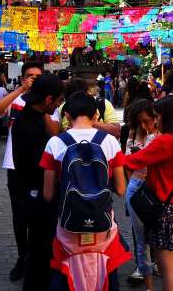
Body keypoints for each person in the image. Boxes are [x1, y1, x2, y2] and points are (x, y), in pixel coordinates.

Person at [41, 91, 129, 291]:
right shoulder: (110, 142)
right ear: (96, 115)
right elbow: (121, 189)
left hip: (68, 226)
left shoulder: (55, 143)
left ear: (67, 116)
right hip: (102, 226)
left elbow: (48, 194)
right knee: (107, 276)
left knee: (64, 278)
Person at [0, 62, 58, 281]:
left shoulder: (48, 102)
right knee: (19, 216)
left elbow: (55, 132)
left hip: (39, 169)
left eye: (38, 76)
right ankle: (23, 257)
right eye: (30, 76)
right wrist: (22, 91)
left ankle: (36, 259)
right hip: (15, 165)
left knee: (39, 218)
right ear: (22, 78)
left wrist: (40, 103)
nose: (34, 79)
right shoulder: (17, 98)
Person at [123, 95, 173, 291]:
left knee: (166, 268)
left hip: (162, 209)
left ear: (167, 116)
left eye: (157, 116)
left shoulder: (164, 141)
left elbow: (132, 161)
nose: (155, 121)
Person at [11, 73, 65, 291]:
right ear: (48, 100)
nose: (60, 104)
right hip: (35, 196)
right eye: (58, 100)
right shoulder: (29, 126)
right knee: (40, 250)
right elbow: (40, 167)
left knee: (41, 248)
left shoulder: (33, 118)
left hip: (34, 194)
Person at [124, 99, 159, 288]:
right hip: (136, 185)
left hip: (155, 187)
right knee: (139, 237)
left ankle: (156, 263)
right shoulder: (133, 133)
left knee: (156, 232)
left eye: (147, 121)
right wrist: (131, 185)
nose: (144, 125)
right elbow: (127, 161)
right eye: (140, 122)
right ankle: (147, 281)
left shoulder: (160, 135)